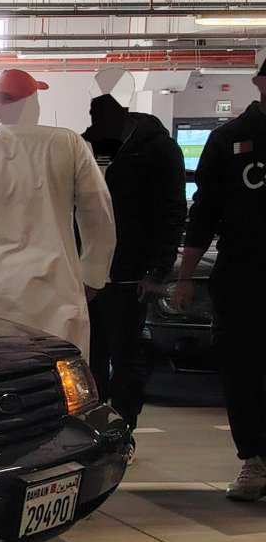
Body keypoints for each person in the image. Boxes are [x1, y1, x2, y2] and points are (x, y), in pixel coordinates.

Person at [0, 69, 115, 361]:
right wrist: (94, 274)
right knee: (62, 381)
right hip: (57, 294)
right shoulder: (68, 144)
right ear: (32, 104)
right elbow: (98, 211)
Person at [173, 57, 266, 501]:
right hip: (243, 278)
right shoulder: (229, 139)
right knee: (242, 369)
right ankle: (255, 458)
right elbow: (205, 212)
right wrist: (186, 275)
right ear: (260, 82)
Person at [82, 67, 186, 451]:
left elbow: (171, 212)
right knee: (89, 357)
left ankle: (122, 430)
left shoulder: (155, 147)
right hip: (88, 272)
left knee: (125, 356)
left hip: (130, 271)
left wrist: (158, 270)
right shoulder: (85, 144)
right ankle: (94, 432)